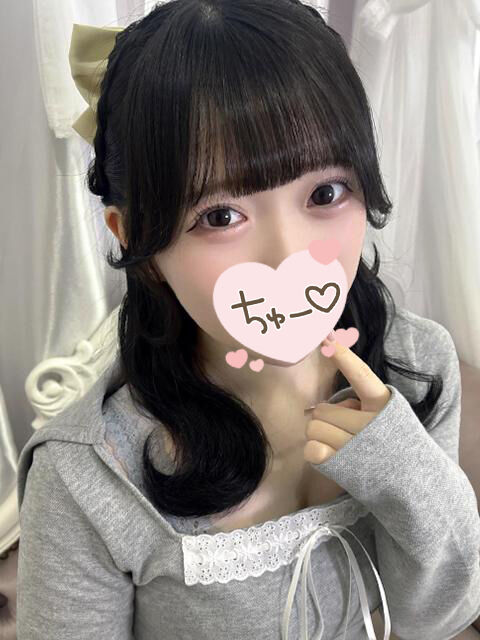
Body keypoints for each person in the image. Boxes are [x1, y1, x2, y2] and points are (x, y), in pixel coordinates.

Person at [15, 1, 480, 638]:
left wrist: (403, 470)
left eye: (325, 193)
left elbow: (436, 619)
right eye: (220, 216)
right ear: (134, 236)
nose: (288, 255)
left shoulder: (418, 365)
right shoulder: (87, 476)